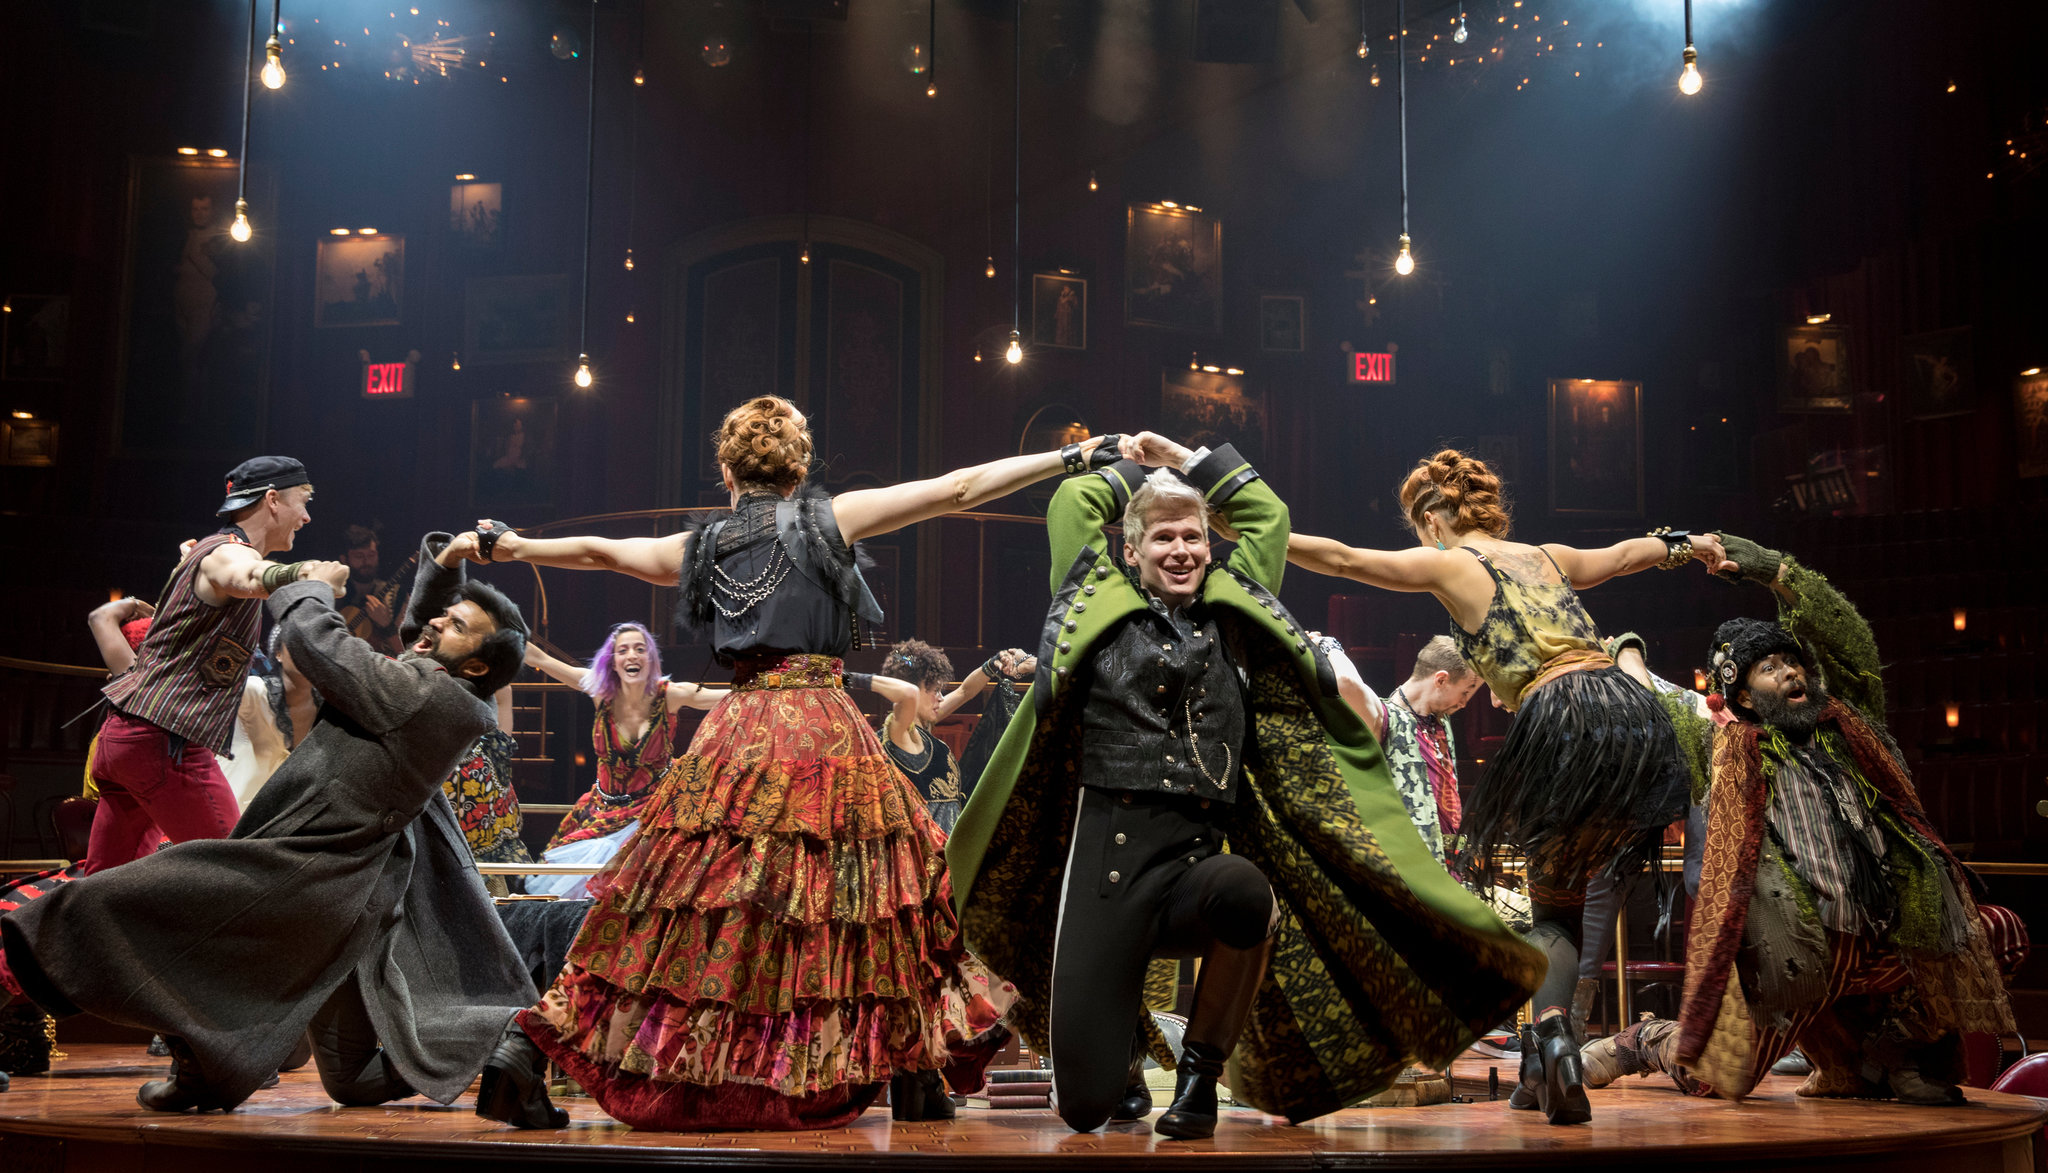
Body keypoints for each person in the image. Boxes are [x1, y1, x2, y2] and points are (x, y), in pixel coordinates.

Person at [469, 394, 1097, 1131]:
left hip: (737, 730)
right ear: (798, 469)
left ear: (726, 471)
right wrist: (1072, 456)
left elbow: (602, 552)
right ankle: (913, 1068)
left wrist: (511, 546)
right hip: (824, 730)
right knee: (874, 897)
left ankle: (526, 1043)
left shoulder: (697, 545)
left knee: (672, 903)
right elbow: (958, 487)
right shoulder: (832, 517)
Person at [948, 434, 1544, 1139]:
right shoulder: (1093, 595)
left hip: (1190, 871)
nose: (1181, 550)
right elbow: (1074, 499)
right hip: (1105, 876)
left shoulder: (1236, 605)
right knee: (1085, 1106)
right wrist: (1135, 466)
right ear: (1131, 549)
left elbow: (1267, 515)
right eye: (1163, 536)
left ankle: (1200, 1076)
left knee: (1247, 893)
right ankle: (1125, 1061)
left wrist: (1188, 458)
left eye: (1194, 536)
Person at [0, 531, 558, 1124]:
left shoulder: (427, 699)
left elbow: (319, 644)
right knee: (351, 1081)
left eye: (456, 626)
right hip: (348, 902)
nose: (436, 625)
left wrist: (309, 586)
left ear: (474, 665)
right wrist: (442, 566)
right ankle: (497, 1049)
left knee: (113, 903)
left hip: (306, 874)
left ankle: (507, 1038)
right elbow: (420, 630)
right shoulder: (437, 681)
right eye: (445, 616)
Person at [1283, 448, 1718, 1124]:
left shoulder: (1449, 563)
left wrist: (1249, 531)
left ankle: (1553, 1039)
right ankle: (1543, 1065)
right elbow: (1627, 554)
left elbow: (1341, 558)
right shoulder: (1545, 554)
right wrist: (1687, 545)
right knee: (1568, 900)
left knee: (1551, 912)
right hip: (1630, 721)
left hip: (1562, 719)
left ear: (1432, 517)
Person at [1578, 533, 2015, 1105]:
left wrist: (1764, 566)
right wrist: (1626, 650)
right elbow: (1654, 697)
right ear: (1746, 697)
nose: (1788, 673)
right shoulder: (1722, 743)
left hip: (1879, 943)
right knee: (1714, 1078)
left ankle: (1888, 1053)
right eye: (1768, 668)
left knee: (1998, 929)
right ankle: (1643, 1041)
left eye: (1790, 661)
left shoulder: (1846, 724)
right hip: (1795, 953)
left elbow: (1846, 635)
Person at [84, 457, 335, 875]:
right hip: (163, 743)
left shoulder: (206, 551)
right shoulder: (225, 555)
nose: (307, 517)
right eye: (303, 502)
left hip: (125, 740)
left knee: (103, 886)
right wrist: (303, 573)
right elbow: (249, 575)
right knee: (239, 877)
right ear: (272, 500)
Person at [524, 624, 724, 866]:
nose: (632, 655)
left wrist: (775, 684)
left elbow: (733, 696)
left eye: (640, 649)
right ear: (613, 661)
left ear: (650, 659)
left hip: (654, 808)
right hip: (603, 809)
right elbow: (540, 658)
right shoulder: (599, 690)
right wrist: (500, 626)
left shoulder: (670, 694)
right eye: (623, 650)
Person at [1316, 634, 1480, 867]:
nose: (1464, 703)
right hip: (1413, 870)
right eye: (1465, 692)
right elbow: (1347, 683)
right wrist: (1329, 645)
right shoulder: (1386, 718)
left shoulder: (1440, 722)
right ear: (1441, 680)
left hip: (1452, 868)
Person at [849, 641, 1032, 834]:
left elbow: (965, 692)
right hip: (927, 854)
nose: (941, 697)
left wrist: (992, 664)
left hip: (948, 849)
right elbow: (906, 694)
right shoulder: (900, 732)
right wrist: (848, 677)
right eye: (934, 690)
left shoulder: (924, 725)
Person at [337, 524, 405, 656]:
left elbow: (406, 652)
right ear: (344, 559)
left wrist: (387, 626)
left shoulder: (397, 595)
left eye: (371, 555)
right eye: (359, 556)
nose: (366, 562)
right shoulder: (334, 595)